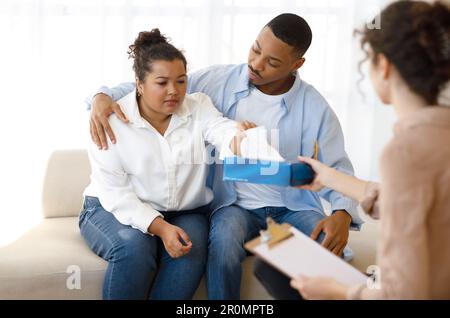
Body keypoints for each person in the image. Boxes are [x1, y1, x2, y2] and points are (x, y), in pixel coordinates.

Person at [86, 14, 365, 300]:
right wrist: (101, 95)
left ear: (297, 65)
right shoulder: (216, 81)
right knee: (222, 244)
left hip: (293, 206)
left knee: (330, 252)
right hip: (236, 205)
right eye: (256, 49)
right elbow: (156, 82)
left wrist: (342, 213)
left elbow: (336, 166)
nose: (256, 64)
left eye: (272, 62)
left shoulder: (315, 107)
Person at [254, 0, 450, 300]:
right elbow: (414, 200)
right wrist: (329, 178)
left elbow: (404, 292)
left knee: (279, 270)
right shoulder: (438, 135)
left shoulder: (405, 152)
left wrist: (338, 291)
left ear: (383, 66)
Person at [80, 28, 252, 300]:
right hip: (109, 207)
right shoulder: (111, 121)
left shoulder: (199, 106)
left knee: (190, 247)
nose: (174, 91)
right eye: (162, 83)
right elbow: (114, 192)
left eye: (181, 81)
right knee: (134, 249)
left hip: (182, 210)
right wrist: (160, 228)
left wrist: (239, 137)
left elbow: (220, 129)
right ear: (139, 84)